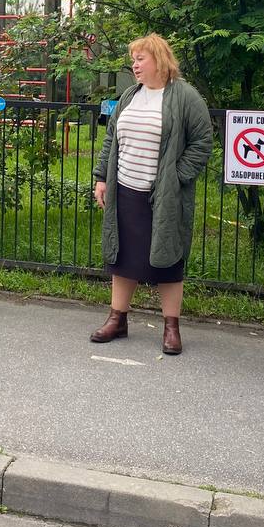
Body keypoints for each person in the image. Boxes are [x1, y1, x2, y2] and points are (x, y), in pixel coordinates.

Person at [90, 34, 212, 355]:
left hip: (164, 198)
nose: (135, 65)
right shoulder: (130, 96)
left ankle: (171, 327)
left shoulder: (185, 96)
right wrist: (102, 178)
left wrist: (176, 177)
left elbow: (202, 142)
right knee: (122, 258)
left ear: (159, 59)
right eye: (133, 59)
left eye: (140, 59)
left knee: (168, 261)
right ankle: (117, 319)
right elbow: (111, 138)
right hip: (125, 191)